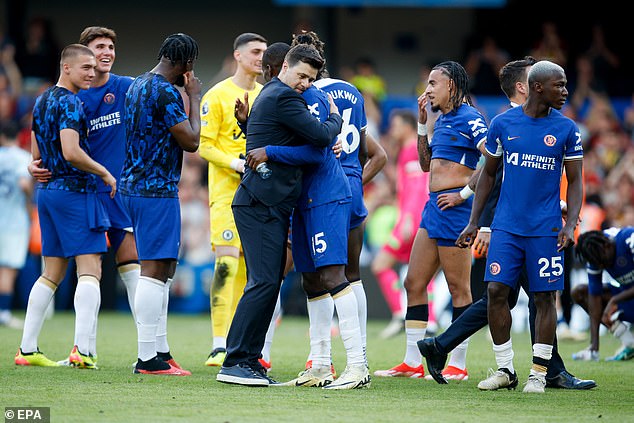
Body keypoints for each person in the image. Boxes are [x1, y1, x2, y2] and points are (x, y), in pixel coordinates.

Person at [419, 57, 596, 390]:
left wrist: (570, 223)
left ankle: (540, 374)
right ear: (535, 87)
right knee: (497, 293)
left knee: (542, 298)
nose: (565, 91)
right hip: (505, 227)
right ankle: (505, 370)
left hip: (544, 229)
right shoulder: (502, 124)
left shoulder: (567, 129)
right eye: (559, 85)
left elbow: (575, 181)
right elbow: (488, 175)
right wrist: (476, 222)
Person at [216, 44, 342, 387]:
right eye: (301, 75)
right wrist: (335, 118)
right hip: (261, 202)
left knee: (268, 282)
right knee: (263, 282)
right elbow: (318, 139)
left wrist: (273, 151)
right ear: (284, 66)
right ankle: (236, 361)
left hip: (265, 201)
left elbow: (310, 148)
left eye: (310, 78)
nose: (304, 83)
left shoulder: (272, 94)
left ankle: (248, 358)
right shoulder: (284, 97)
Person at [375, 61, 485, 381]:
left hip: (456, 211)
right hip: (433, 209)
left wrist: (463, 194)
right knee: (413, 282)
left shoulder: (471, 118)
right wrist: (423, 125)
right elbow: (426, 166)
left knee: (458, 289)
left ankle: (459, 365)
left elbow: (494, 157)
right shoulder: (444, 119)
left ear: (451, 86)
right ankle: (412, 362)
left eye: (433, 84)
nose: (427, 91)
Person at [14, 44, 116, 368]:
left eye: (94, 67)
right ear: (66, 67)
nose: (92, 72)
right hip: (74, 192)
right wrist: (104, 172)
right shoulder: (72, 102)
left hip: (47, 192)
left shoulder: (42, 98)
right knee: (91, 268)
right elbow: (71, 151)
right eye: (85, 67)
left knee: (53, 271)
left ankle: (27, 350)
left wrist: (35, 168)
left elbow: (36, 155)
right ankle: (82, 351)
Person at [119, 33, 201, 376]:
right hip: (155, 191)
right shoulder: (167, 92)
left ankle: (161, 351)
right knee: (153, 271)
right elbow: (192, 141)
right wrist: (193, 97)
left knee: (163, 270)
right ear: (187, 65)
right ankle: (146, 359)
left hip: (132, 187)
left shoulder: (137, 83)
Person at [198, 32, 268, 367]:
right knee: (226, 264)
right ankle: (216, 344)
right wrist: (236, 162)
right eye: (255, 51)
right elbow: (205, 146)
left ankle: (238, 344)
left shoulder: (267, 95)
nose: (260, 57)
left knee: (249, 272)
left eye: (264, 52)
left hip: (259, 195)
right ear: (237, 55)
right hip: (227, 193)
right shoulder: (217, 95)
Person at [370, 110, 429, 340]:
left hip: (410, 220)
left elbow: (417, 188)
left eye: (396, 125)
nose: (392, 129)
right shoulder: (409, 149)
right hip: (414, 218)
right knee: (422, 273)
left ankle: (399, 314)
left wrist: (406, 218)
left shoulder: (412, 149)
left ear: (408, 126)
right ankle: (429, 320)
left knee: (381, 264)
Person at [571, 228, 634, 361]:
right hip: (629, 300)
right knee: (580, 293)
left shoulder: (629, 238)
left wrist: (614, 300)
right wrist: (595, 345)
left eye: (602, 261)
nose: (601, 265)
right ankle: (629, 342)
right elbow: (594, 296)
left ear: (608, 245)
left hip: (626, 297)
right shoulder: (596, 251)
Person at [0, 122, 32, 329]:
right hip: (14, 222)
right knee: (8, 270)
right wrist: (30, 200)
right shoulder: (23, 157)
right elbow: (23, 184)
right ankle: (3, 313)